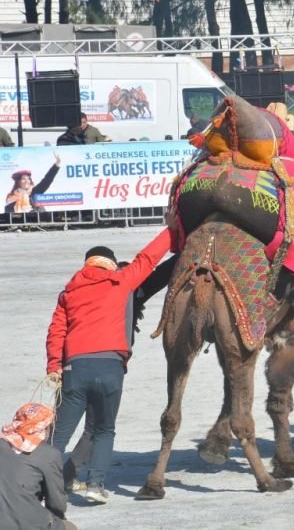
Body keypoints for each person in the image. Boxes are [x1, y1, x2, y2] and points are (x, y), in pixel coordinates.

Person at [46, 215, 176, 504]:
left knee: (60, 435)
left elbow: (56, 331)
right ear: (112, 265)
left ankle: (48, 482)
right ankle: (94, 484)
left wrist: (54, 366)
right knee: (102, 429)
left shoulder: (69, 293)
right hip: (110, 367)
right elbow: (150, 259)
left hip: (74, 367)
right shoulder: (122, 282)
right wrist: (175, 230)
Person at [0, 403, 77, 530]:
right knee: (70, 527)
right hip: (25, 522)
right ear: (44, 428)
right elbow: (56, 501)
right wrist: (56, 519)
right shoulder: (48, 454)